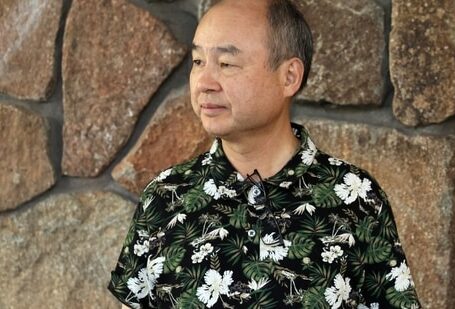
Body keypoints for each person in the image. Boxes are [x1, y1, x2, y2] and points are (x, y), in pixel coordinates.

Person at [108, 0, 422, 308]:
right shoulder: (165, 197)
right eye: (198, 61)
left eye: (227, 64)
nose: (203, 82)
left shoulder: (356, 198)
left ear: (289, 76)